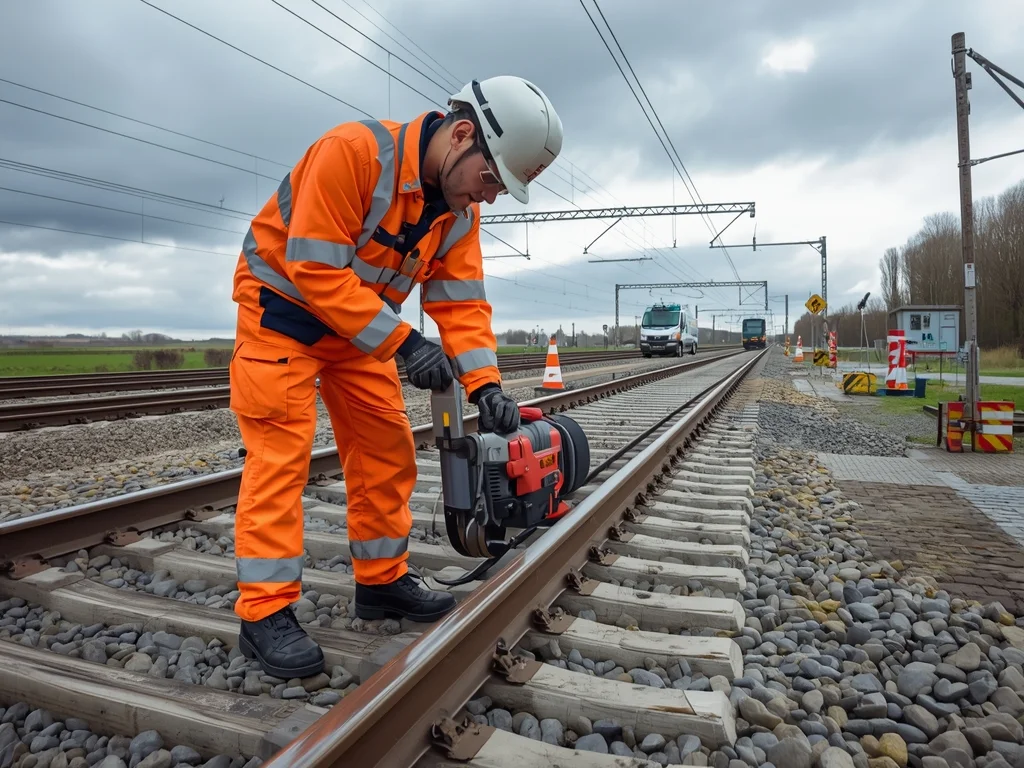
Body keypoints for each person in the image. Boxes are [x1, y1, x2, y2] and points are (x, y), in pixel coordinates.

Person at [226, 76, 563, 678]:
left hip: (358, 333)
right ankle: (263, 614)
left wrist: (484, 385)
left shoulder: (458, 212)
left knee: (386, 450)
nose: (487, 198)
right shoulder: (353, 154)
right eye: (490, 180)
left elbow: (460, 303)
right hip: (283, 317)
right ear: (462, 136)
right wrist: (404, 343)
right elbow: (313, 266)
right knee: (281, 458)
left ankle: (381, 583)